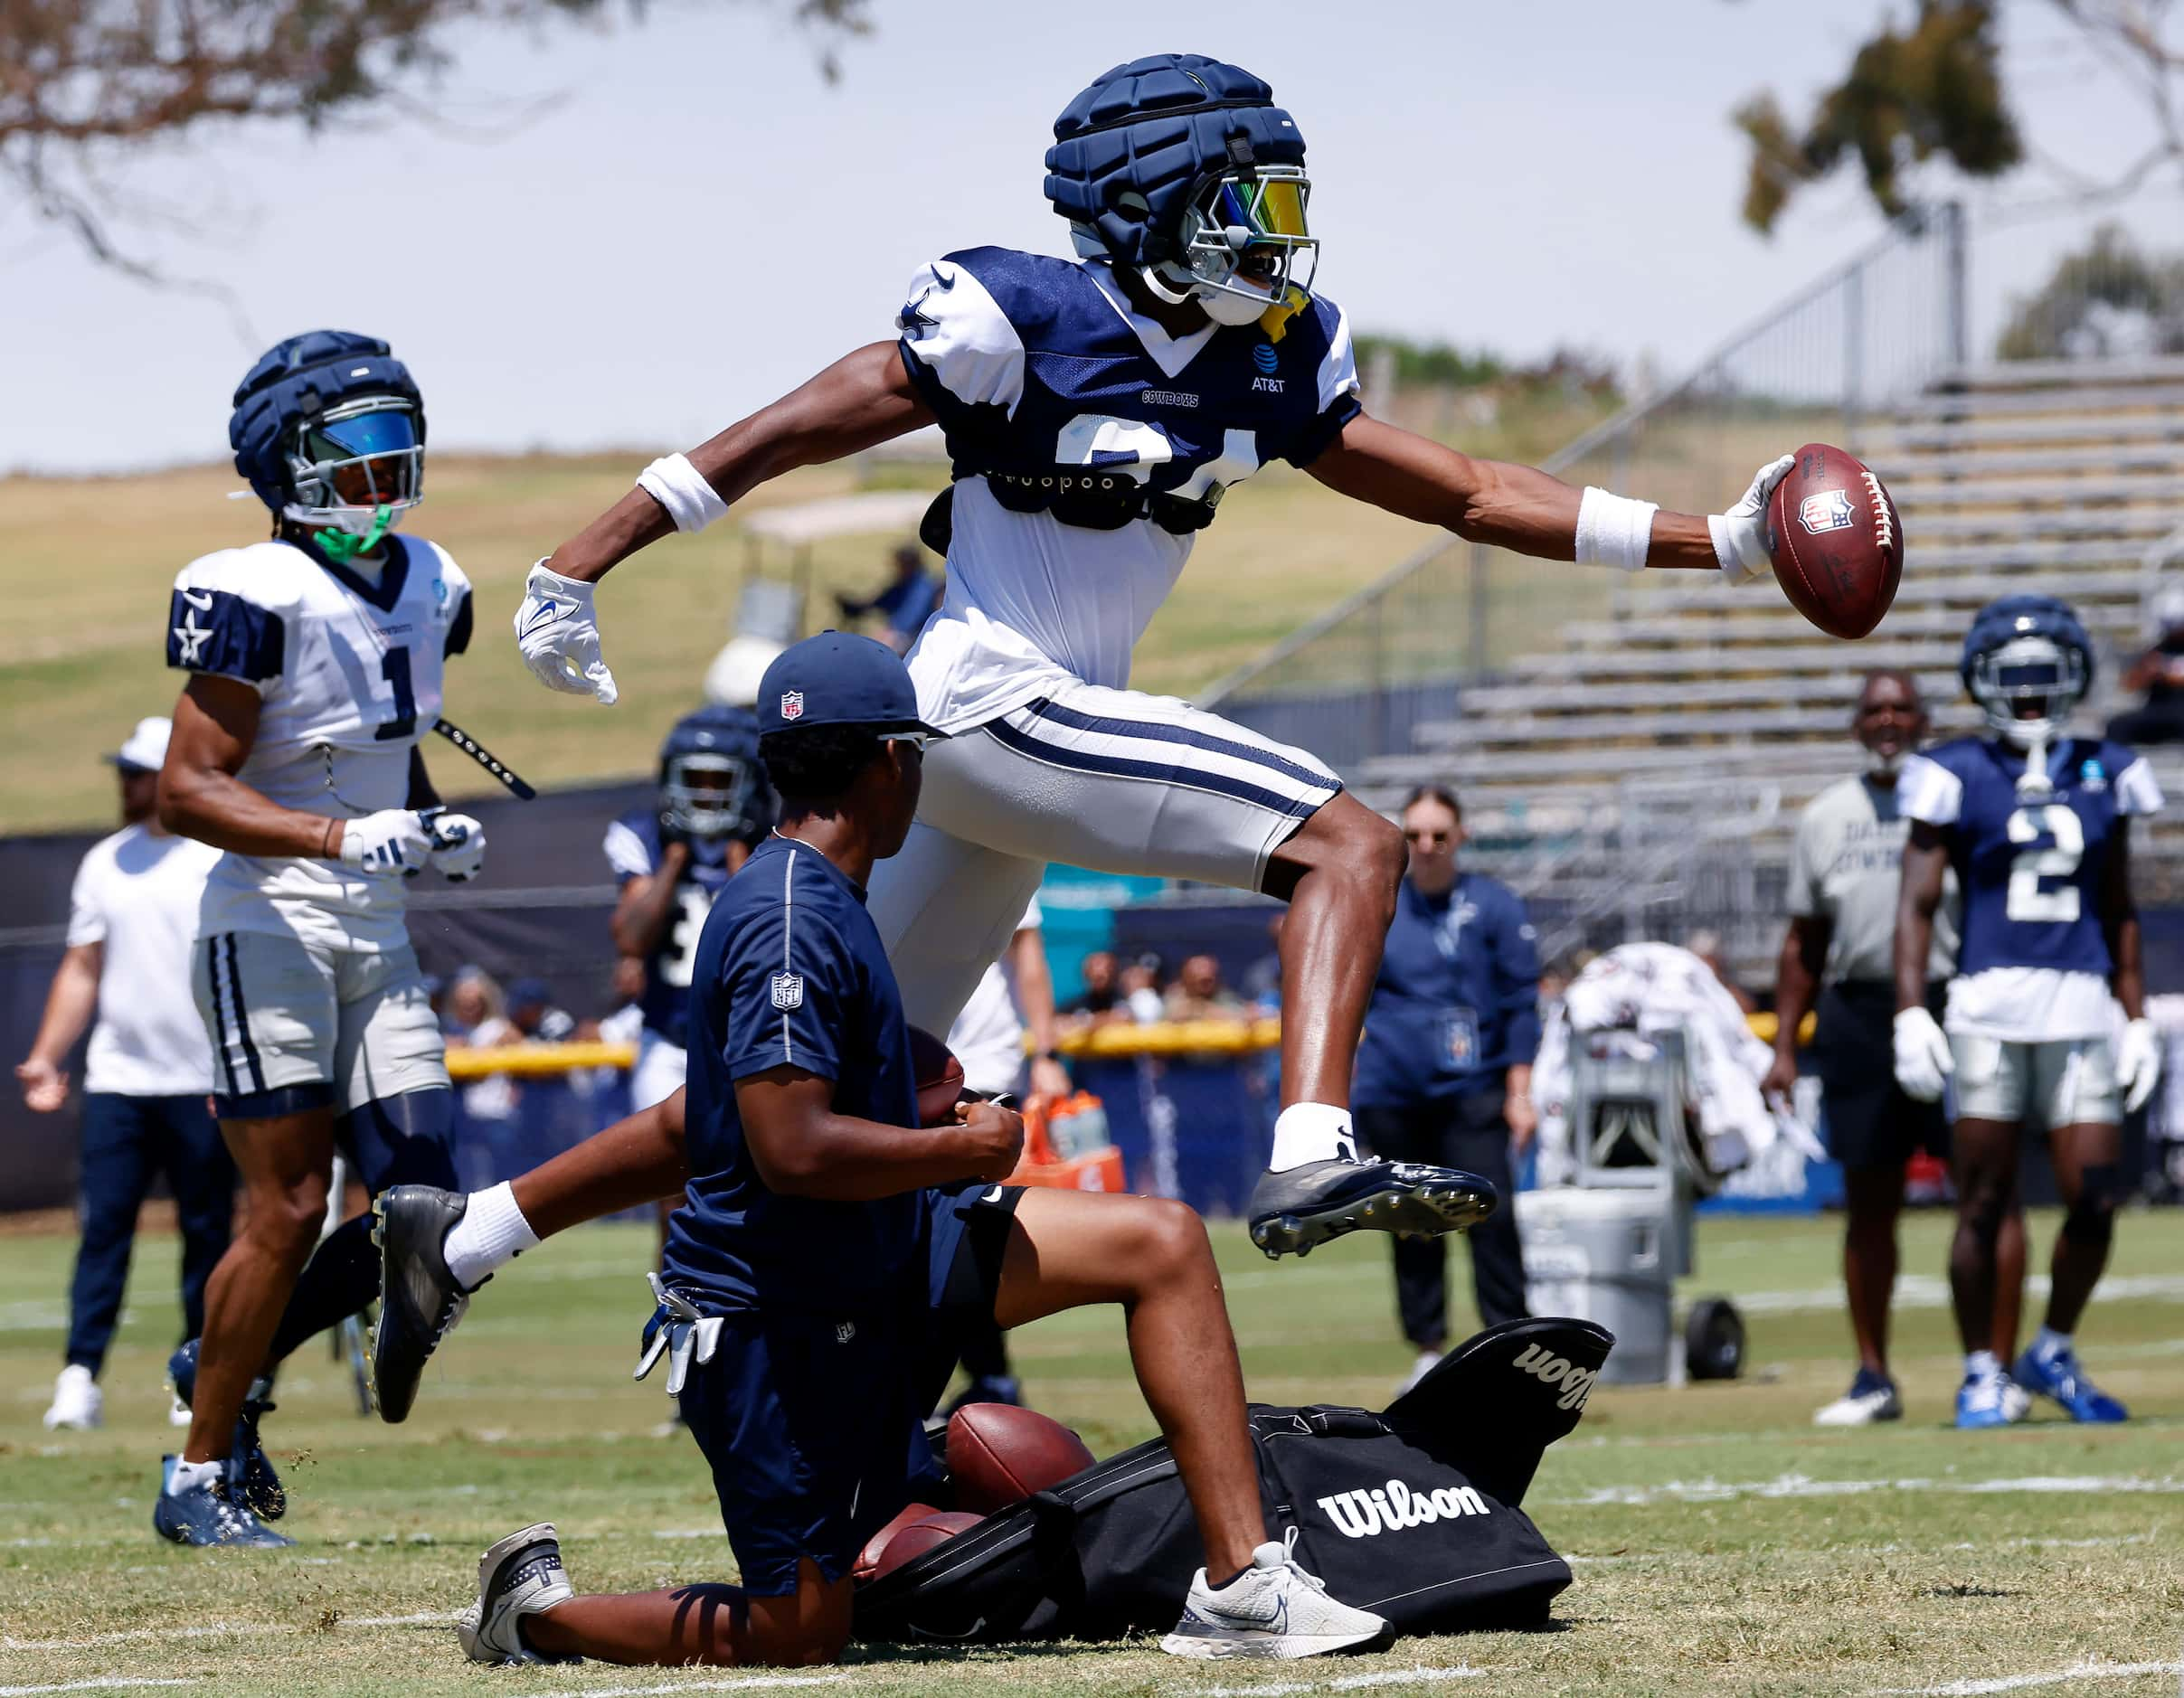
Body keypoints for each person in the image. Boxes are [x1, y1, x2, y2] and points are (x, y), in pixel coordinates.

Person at [513, 51, 1796, 1260]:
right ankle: (1310, 1149)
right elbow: (783, 432)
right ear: (1144, 209)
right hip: (988, 704)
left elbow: (1466, 491)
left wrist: (1718, 542)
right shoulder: (1017, 315)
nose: (1274, 233)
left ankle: (470, 1231)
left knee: (838, 1077)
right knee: (1351, 844)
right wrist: (583, 554)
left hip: (1009, 761)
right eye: (1246, 201)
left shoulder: (1269, 355)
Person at [373, 633, 1394, 1665]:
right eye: (914, 753)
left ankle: (1239, 1582)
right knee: (803, 1632)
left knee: (1161, 1242)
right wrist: (966, 1149)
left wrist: (928, 1121)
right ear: (884, 762)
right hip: (775, 1315)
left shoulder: (824, 892)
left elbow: (741, 1121)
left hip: (872, 1253)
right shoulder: (788, 915)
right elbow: (792, 1150)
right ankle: (531, 1615)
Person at [150, 329, 486, 1546]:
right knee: (287, 1207)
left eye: (396, 446)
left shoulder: (435, 577)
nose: (381, 474)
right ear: (282, 468)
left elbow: (377, 747)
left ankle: (220, 1361)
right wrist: (340, 839)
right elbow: (185, 789)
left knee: (430, 1208)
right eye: (350, 455)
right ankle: (195, 1476)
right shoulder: (251, 587)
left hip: (376, 924)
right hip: (269, 920)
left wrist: (423, 822)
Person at [1894, 595, 2162, 1429]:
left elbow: (2119, 905)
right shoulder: (1952, 771)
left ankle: (2051, 1347)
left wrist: (2135, 1012)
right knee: (1981, 1197)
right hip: (1985, 1004)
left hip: (2081, 1001)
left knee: (2093, 1192)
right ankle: (1983, 1369)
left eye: (2046, 675)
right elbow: (1915, 905)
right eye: (2015, 678)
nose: (2032, 693)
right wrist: (1913, 1010)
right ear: (1981, 682)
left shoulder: (2107, 766)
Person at [1764, 671, 2016, 1427]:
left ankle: (1993, 1370)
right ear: (1854, 725)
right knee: (1869, 1205)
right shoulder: (1825, 816)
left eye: (1901, 708)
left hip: (1956, 1003)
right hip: (1859, 1012)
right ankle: (1873, 1376)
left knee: (1987, 1196)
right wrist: (1782, 1047)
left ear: (1924, 721)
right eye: (1873, 708)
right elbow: (1803, 943)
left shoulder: (1959, 800)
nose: (1887, 720)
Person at [15, 718, 231, 1432]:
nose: (127, 785)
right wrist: (48, 1056)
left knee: (208, 1235)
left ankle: (193, 1373)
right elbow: (83, 967)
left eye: (139, 773)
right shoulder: (106, 860)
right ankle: (80, 1376)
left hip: (204, 1080)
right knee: (103, 1231)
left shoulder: (219, 858)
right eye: (125, 773)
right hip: (118, 1083)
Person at [1352, 786, 1539, 1392]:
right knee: (1410, 1221)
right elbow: (1347, 996)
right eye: (1413, 836)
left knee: (1494, 1217)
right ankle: (1427, 1349)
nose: (1425, 847)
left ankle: (1510, 1346)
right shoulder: (1377, 905)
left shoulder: (1494, 906)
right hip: (1392, 1090)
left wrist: (1520, 1090)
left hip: (1473, 1090)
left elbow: (1519, 1005)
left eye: (1438, 835)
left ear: (1460, 837)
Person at [605, 706, 773, 1120]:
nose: (706, 794)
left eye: (719, 780)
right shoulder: (645, 837)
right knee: (661, 1177)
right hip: (667, 1039)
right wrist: (675, 860)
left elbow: (769, 939)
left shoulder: (770, 843)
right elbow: (631, 937)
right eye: (694, 779)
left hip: (750, 1040)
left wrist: (740, 867)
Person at [942, 901, 1073, 1407]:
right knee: (937, 1231)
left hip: (982, 1065)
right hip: (912, 1062)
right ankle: (987, 1378)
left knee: (966, 1228)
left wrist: (1047, 1052)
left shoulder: (997, 832)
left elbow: (1029, 953)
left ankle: (991, 1378)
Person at [2106, 583, 2184, 747]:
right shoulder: (2156, 651)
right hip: (2158, 712)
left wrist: (2166, 675)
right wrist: (2145, 673)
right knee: (2117, 726)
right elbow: (2129, 685)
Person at [833, 542, 941, 656]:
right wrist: (854, 607)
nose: (897, 567)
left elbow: (912, 615)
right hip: (901, 633)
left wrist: (891, 631)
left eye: (901, 563)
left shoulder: (923, 585)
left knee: (879, 648)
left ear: (911, 563)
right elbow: (877, 602)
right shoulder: (902, 584)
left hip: (919, 637)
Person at [1166, 952, 1247, 1020]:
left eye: (1209, 980)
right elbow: (1171, 1016)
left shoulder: (1225, 997)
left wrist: (1203, 1009)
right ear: (1186, 978)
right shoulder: (1173, 996)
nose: (1206, 985)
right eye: (1201, 981)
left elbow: (1240, 1016)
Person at [1059, 948, 1123, 1024]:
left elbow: (1123, 1016)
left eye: (1101, 978)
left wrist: (1088, 1021)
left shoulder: (1122, 999)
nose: (1098, 982)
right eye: (1094, 977)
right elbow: (1058, 1018)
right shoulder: (1079, 1003)